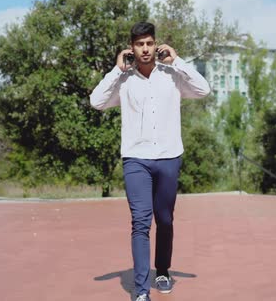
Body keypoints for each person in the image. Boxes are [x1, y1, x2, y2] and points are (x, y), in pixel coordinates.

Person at [90, 22, 210, 301]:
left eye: (149, 43)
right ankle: (142, 290)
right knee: (140, 222)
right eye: (139, 44)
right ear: (131, 48)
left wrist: (178, 61)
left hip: (169, 157)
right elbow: (96, 101)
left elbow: (203, 90)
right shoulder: (124, 80)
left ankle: (163, 270)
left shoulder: (172, 76)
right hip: (136, 160)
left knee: (165, 220)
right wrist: (115, 70)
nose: (145, 49)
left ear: (156, 45)